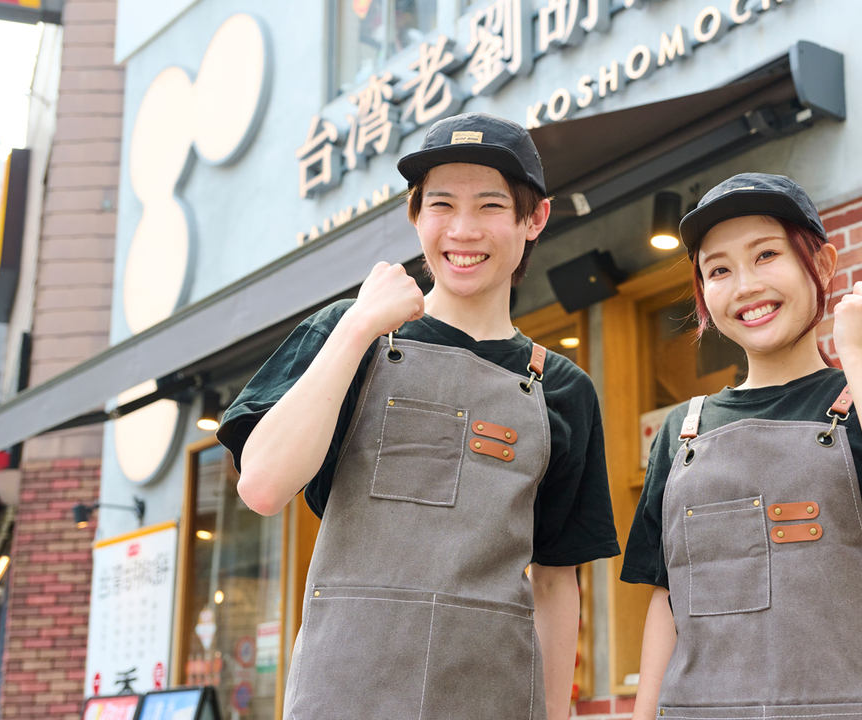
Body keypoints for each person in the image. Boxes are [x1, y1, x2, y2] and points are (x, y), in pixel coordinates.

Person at [217, 113, 619, 719]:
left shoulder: (562, 390)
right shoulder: (347, 334)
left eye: (489, 206)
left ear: (533, 219)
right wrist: (356, 327)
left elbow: (558, 582)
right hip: (344, 696)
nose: (462, 230)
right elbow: (264, 486)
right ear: (415, 215)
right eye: (440, 205)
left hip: (493, 699)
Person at [621, 173, 862, 720]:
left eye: (766, 255)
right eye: (718, 269)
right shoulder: (681, 430)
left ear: (823, 264)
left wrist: (860, 356)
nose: (744, 286)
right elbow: (667, 600)